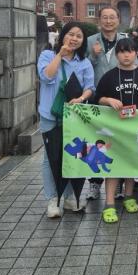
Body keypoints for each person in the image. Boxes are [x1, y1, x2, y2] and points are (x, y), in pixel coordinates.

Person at [36, 21, 95, 218]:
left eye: (79, 36)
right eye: (71, 34)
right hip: (50, 115)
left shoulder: (84, 62)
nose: (74, 39)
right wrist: (60, 55)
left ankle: (70, 197)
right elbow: (46, 77)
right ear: (63, 35)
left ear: (83, 41)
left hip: (74, 116)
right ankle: (53, 199)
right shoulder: (48, 55)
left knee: (73, 155)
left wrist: (81, 98)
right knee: (51, 157)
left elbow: (90, 87)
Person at [95, 38, 138, 223]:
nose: (126, 55)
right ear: (116, 55)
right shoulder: (109, 76)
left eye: (129, 51)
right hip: (114, 130)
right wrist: (108, 100)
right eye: (122, 51)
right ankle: (109, 204)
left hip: (135, 130)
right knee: (113, 165)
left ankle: (129, 196)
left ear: (136, 53)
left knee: (131, 163)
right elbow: (98, 99)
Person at [85, 6, 131, 201]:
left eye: (112, 17)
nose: (109, 21)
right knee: (95, 142)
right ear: (99, 20)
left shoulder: (125, 40)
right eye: (105, 17)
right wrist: (94, 56)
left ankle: (118, 183)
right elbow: (84, 67)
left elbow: (132, 64)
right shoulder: (90, 41)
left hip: (120, 99)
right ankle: (94, 183)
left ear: (118, 20)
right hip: (96, 98)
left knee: (118, 142)